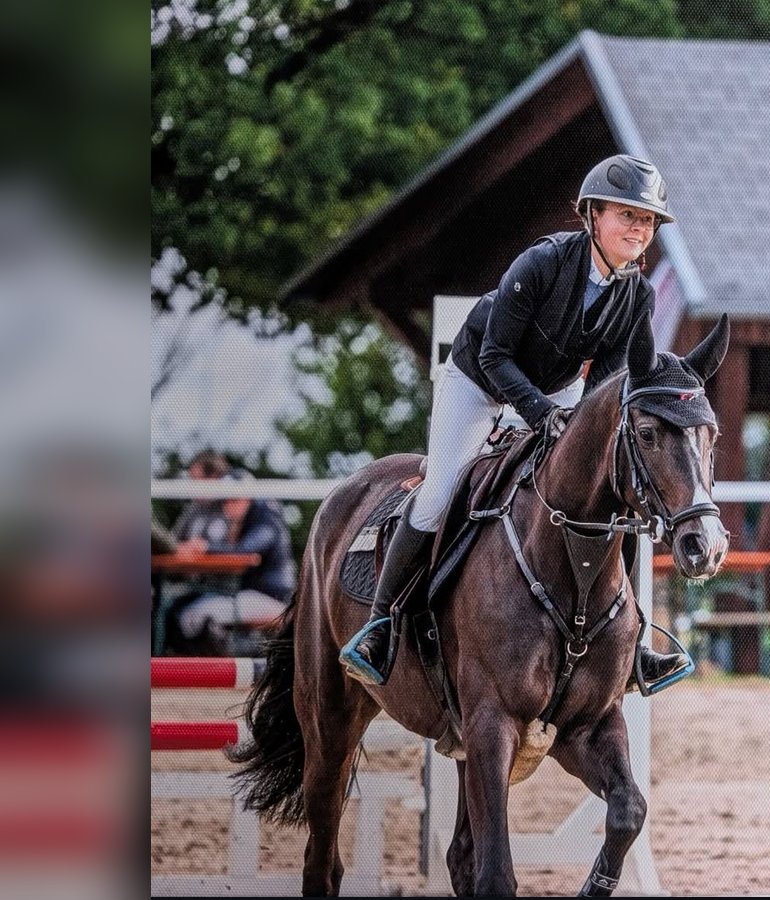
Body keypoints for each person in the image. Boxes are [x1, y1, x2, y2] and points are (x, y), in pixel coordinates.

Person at [341, 154, 692, 689]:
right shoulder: (542, 262)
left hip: (557, 389)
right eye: (628, 216)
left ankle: (636, 644)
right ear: (593, 215)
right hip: (478, 381)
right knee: (439, 493)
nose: (639, 229)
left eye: (646, 221)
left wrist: (584, 429)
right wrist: (539, 414)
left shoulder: (636, 295)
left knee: (612, 503)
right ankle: (381, 624)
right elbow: (495, 356)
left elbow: (611, 382)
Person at [169, 467, 297, 654]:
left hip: (271, 598)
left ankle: (212, 670)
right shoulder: (246, 518)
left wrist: (206, 547)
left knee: (191, 614)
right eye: (225, 500)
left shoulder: (266, 515)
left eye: (234, 498)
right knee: (183, 605)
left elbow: (245, 550)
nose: (228, 505)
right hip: (253, 595)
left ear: (248, 496)